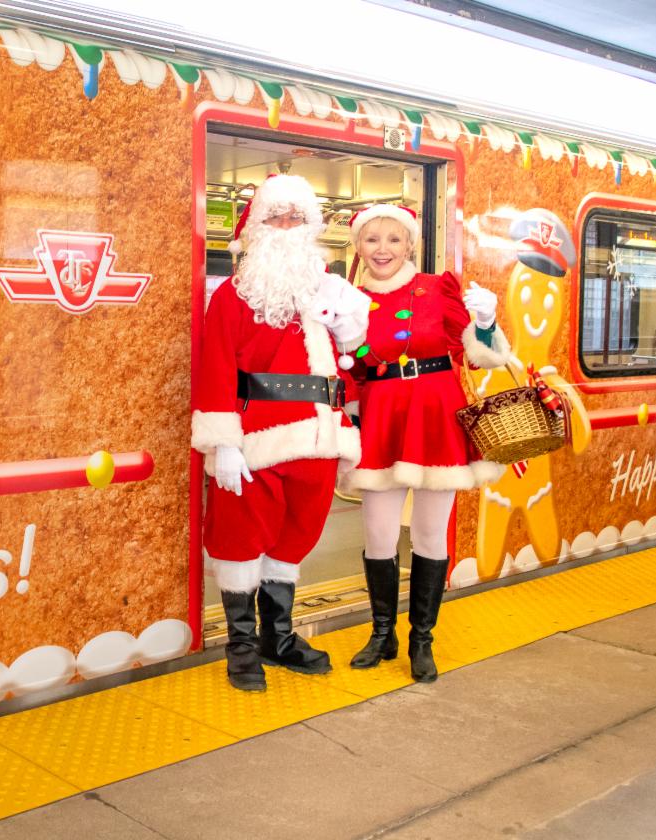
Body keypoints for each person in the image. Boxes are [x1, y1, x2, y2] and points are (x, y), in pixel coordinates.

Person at [192, 174, 369, 691]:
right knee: (241, 541)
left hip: (316, 439)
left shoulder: (328, 291)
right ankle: (242, 647)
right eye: (276, 217)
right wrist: (222, 442)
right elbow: (217, 366)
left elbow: (354, 361)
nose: (287, 227)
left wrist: (346, 331)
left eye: (297, 218)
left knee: (295, 539)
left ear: (311, 226)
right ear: (257, 228)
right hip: (255, 441)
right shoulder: (230, 295)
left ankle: (279, 636)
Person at [340, 204, 510, 683]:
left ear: (410, 244)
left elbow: (480, 357)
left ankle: (421, 639)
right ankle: (381, 633)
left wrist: (486, 322)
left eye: (393, 240)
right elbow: (347, 368)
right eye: (372, 240)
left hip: (436, 416)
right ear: (358, 246)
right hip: (381, 418)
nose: (383, 250)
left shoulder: (439, 289)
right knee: (378, 533)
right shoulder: (349, 300)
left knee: (431, 535)